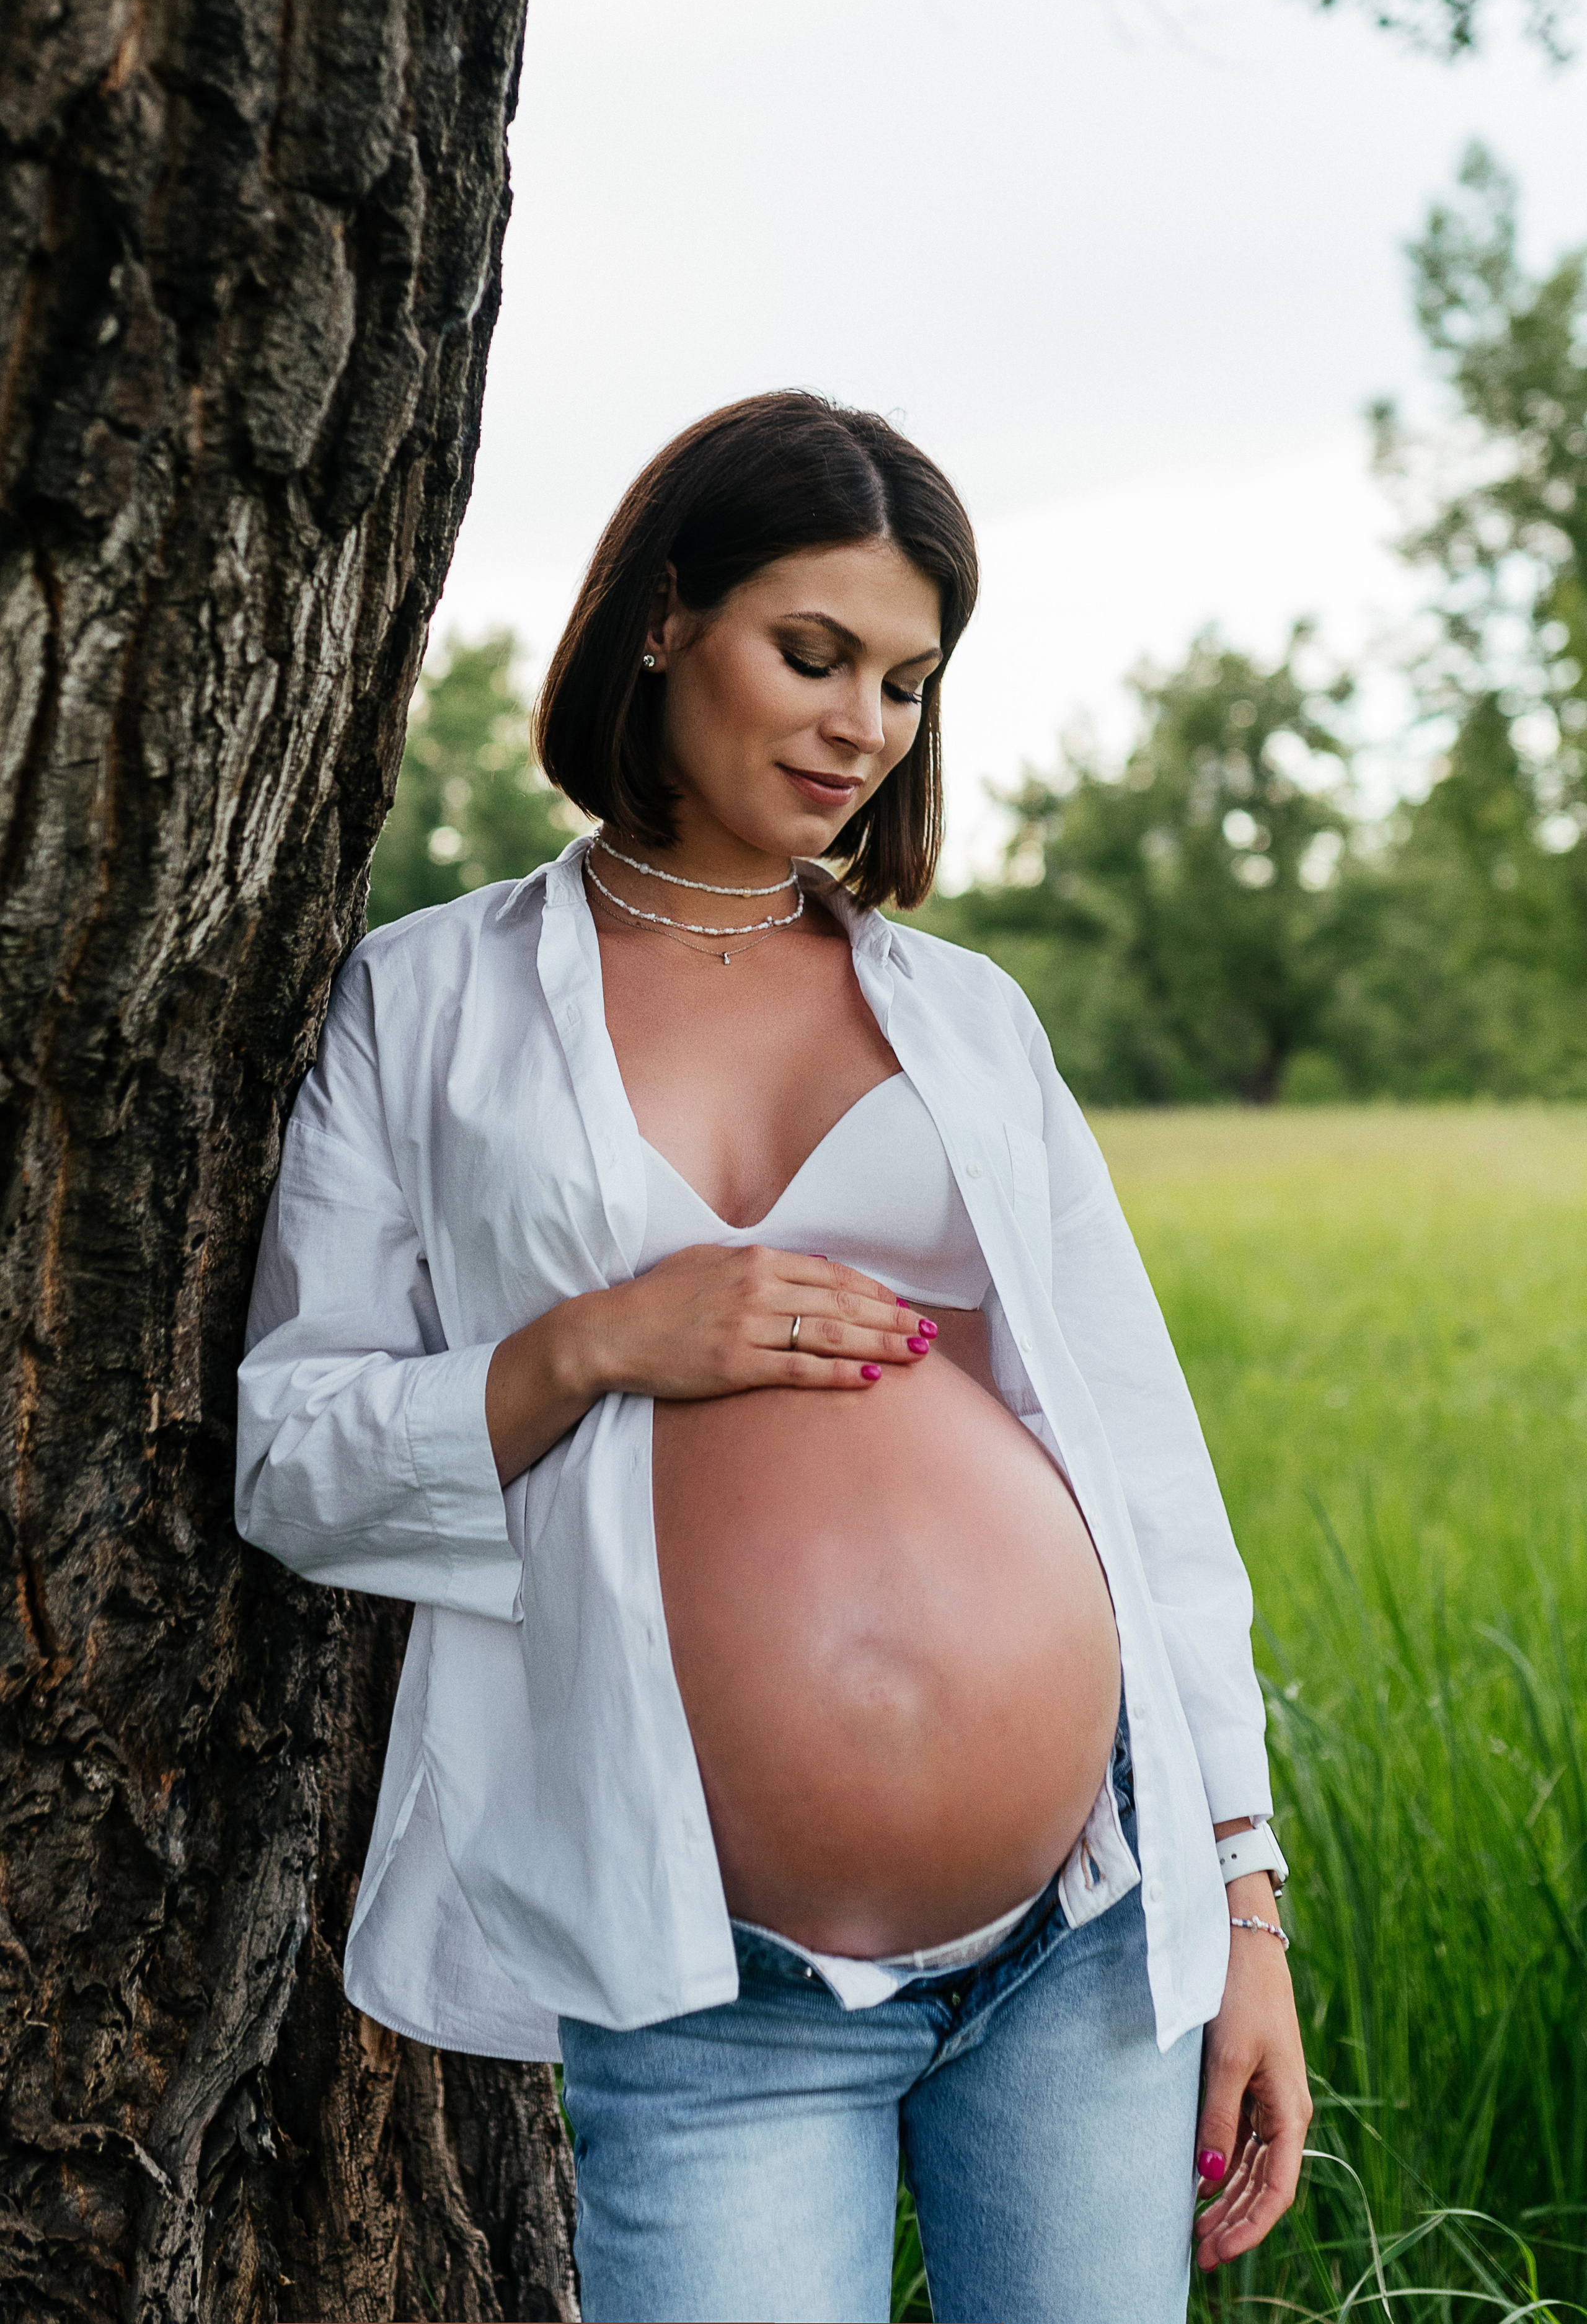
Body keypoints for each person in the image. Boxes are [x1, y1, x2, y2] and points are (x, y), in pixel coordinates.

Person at [236, 391, 1311, 2323]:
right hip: (708, 1970)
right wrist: (592, 1343)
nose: (859, 727)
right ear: (664, 617)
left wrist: (1243, 1900)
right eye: (811, 653)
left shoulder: (969, 1022)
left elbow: (1146, 1476)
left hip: (1082, 1920)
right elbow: (294, 1455)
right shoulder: (430, 1002)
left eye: (905, 680)